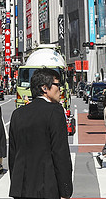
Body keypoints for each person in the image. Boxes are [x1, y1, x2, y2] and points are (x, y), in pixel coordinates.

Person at [8, 68, 72, 199]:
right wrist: (65, 190)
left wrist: (15, 183)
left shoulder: (18, 114)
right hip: (46, 187)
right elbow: (60, 153)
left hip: (20, 188)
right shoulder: (55, 111)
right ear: (45, 88)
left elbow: (13, 154)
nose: (60, 89)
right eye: (57, 85)